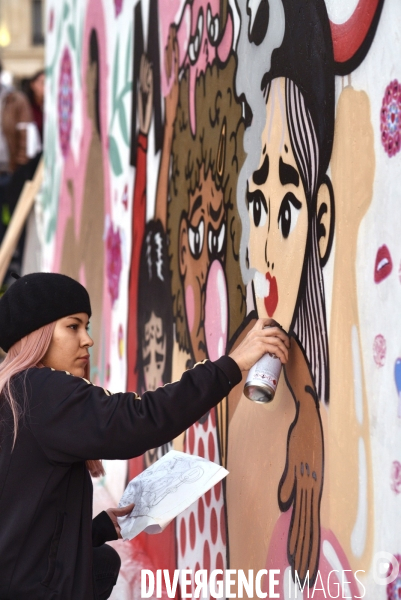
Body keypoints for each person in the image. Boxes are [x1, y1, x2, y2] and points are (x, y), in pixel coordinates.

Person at [0, 272, 289, 600]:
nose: (87, 340)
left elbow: (20, 522)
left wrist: (96, 528)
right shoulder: (41, 392)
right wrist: (233, 365)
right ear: (38, 335)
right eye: (73, 326)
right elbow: (138, 420)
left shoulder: (15, 396)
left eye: (88, 327)